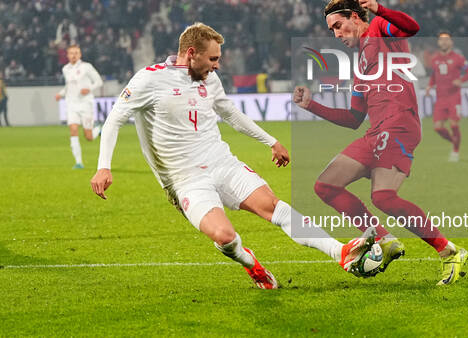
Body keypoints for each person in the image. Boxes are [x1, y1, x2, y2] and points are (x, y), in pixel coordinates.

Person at [90, 23, 375, 290]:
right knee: (225, 237)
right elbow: (115, 118)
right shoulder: (149, 80)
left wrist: (271, 141)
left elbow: (230, 114)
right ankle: (250, 263)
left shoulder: (210, 79)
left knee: (273, 206)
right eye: (213, 58)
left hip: (222, 163)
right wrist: (104, 167)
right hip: (184, 179)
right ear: (192, 53)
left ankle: (341, 252)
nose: (217, 65)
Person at [293, 0, 468, 286]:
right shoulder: (360, 66)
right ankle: (386, 241)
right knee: (326, 186)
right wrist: (312, 105)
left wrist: (378, 8)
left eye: (337, 26)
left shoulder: (379, 30)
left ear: (354, 16)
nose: (335, 35)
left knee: (383, 197)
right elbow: (352, 119)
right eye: (331, 30)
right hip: (376, 130)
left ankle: (448, 251)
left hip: (400, 125)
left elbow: (411, 27)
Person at [426, 32, 468, 162]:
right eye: (441, 40)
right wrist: (430, 85)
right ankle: (454, 141)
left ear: (451, 42)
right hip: (440, 98)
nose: (444, 42)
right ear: (438, 42)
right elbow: (433, 75)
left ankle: (455, 151)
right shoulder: (435, 59)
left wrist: (461, 80)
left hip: (454, 96)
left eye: (446, 40)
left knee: (454, 125)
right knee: (438, 127)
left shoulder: (458, 58)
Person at [55, 44, 103, 169]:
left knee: (89, 137)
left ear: (80, 54)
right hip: (71, 104)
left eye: (76, 53)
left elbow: (99, 81)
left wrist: (89, 89)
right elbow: (68, 86)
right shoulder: (65, 69)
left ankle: (97, 130)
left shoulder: (87, 67)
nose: (74, 55)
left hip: (86, 103)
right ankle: (78, 162)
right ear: (67, 55)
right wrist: (60, 94)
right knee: (73, 130)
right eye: (71, 53)